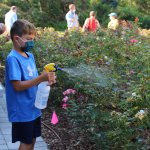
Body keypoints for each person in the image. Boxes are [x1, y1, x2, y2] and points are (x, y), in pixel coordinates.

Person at [5, 19, 56, 150]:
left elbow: (33, 80)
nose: (31, 42)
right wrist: (40, 78)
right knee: (26, 143)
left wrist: (46, 80)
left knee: (32, 140)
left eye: (33, 38)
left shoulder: (30, 56)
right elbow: (17, 86)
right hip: (21, 110)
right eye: (28, 39)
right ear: (16, 39)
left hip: (33, 108)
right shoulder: (13, 59)